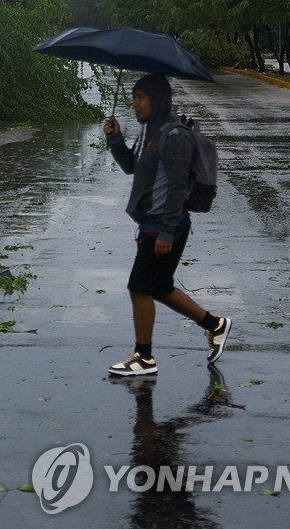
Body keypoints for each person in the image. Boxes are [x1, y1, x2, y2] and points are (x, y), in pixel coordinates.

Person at [102, 73, 231, 376]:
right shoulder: (148, 131)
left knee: (139, 287)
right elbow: (132, 167)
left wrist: (167, 232)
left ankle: (144, 357)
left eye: (140, 97)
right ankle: (215, 325)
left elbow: (176, 187)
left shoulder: (174, 136)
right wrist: (115, 138)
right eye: (133, 96)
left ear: (157, 100)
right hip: (151, 221)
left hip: (165, 223)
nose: (134, 103)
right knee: (157, 287)